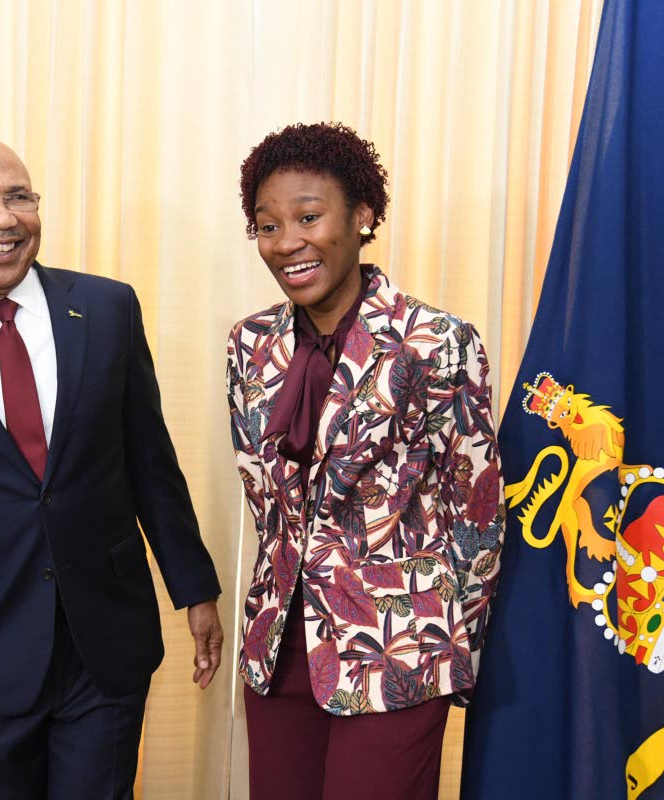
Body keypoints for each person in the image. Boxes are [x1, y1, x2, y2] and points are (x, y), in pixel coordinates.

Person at [0, 137, 223, 799]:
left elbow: (150, 461)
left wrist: (194, 588)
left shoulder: (109, 311)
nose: (3, 218)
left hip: (107, 644)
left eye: (18, 196)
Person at [225, 122, 504, 800]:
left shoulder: (436, 342)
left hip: (398, 644)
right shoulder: (248, 345)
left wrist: (451, 648)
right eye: (266, 225)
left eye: (309, 216)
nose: (287, 241)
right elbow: (268, 503)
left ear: (364, 216)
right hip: (279, 646)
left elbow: (478, 512)